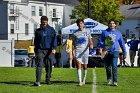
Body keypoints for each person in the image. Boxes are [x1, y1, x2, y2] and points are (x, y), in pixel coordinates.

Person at [98, 19, 127, 86]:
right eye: (110, 23)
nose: (112, 24)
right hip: (107, 52)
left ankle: (115, 81)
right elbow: (100, 42)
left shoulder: (118, 33)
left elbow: (122, 44)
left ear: (115, 24)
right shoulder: (104, 32)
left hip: (115, 51)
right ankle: (109, 79)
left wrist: (124, 53)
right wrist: (104, 44)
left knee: (114, 66)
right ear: (108, 24)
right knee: (108, 67)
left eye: (113, 23)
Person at [33, 16, 57, 86]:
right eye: (43, 23)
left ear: (47, 22)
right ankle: (38, 81)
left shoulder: (51, 30)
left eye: (45, 23)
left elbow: (54, 39)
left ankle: (48, 79)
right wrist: (36, 50)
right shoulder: (37, 31)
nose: (44, 24)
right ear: (40, 22)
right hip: (40, 50)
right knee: (39, 65)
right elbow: (36, 41)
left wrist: (54, 48)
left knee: (49, 65)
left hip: (49, 50)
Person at [72, 18, 93, 86]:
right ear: (77, 25)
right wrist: (73, 51)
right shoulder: (75, 33)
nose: (80, 25)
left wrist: (91, 44)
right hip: (78, 50)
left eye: (81, 23)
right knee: (78, 64)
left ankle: (84, 79)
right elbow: (73, 43)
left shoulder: (87, 31)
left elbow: (90, 39)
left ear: (83, 24)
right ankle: (79, 81)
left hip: (85, 50)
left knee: (85, 66)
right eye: (79, 24)